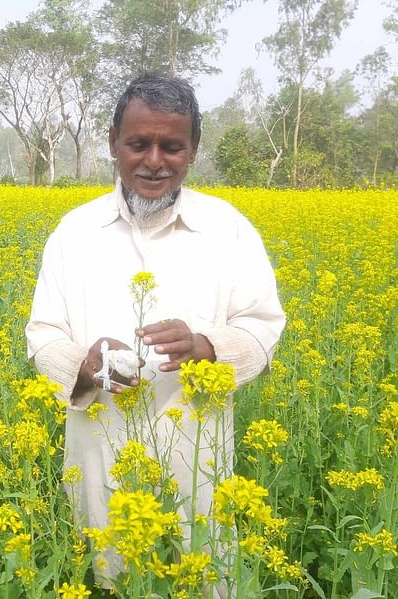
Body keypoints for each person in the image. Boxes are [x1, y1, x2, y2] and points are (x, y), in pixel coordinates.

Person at [25, 72, 285, 584]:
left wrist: (208, 346)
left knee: (201, 574)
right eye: (138, 144)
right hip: (101, 449)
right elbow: (43, 332)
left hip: (197, 457)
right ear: (112, 144)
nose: (153, 161)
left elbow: (261, 325)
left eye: (172, 146)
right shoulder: (74, 232)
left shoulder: (229, 229)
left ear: (193, 151)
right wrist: (84, 364)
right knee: (112, 577)